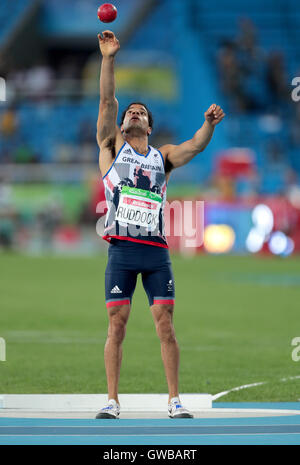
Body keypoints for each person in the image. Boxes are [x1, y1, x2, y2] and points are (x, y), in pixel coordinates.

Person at [96, 31, 225, 419]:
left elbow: (196, 145)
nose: (134, 112)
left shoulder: (162, 157)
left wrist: (209, 124)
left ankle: (174, 400)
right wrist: (109, 59)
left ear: (150, 126)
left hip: (155, 252)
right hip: (121, 248)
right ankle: (112, 400)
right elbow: (107, 100)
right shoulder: (109, 146)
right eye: (129, 111)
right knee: (116, 324)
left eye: (141, 111)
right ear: (121, 125)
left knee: (165, 324)